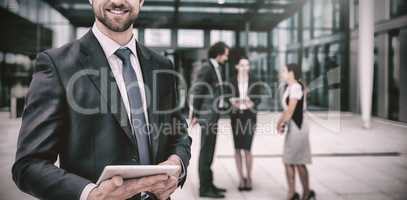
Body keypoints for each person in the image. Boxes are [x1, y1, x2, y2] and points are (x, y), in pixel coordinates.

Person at [12, 0, 192, 200]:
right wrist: (90, 194)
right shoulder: (57, 65)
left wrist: (177, 163)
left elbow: (178, 131)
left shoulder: (161, 65)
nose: (117, 1)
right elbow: (28, 165)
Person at [190, 42, 229, 198]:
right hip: (207, 116)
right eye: (226, 54)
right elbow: (198, 90)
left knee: (210, 151)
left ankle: (209, 184)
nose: (227, 57)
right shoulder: (207, 67)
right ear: (218, 54)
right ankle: (204, 189)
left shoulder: (216, 67)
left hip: (213, 115)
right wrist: (195, 114)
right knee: (206, 152)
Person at [277, 63, 316, 200]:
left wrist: (281, 124)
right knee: (292, 160)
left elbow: (291, 109)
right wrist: (280, 122)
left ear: (291, 73)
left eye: (284, 70)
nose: (282, 73)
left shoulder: (296, 87)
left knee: (296, 161)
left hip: (298, 127)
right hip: (294, 126)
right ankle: (297, 192)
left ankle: (301, 193)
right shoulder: (291, 87)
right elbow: (287, 109)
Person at [228, 48, 260, 192]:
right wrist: (232, 101)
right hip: (236, 117)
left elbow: (258, 98)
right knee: (237, 149)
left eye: (246, 65)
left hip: (249, 117)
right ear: (237, 67)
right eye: (241, 65)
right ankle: (241, 178)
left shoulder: (255, 81)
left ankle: (250, 177)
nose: (244, 67)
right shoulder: (231, 81)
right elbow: (227, 96)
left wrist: (251, 102)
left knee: (247, 148)